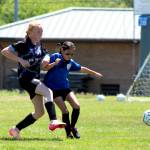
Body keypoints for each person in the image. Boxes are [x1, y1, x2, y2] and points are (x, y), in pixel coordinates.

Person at [1, 21, 66, 139]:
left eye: (42, 31)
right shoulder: (22, 44)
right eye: (38, 31)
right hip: (25, 79)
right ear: (30, 32)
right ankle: (54, 121)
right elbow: (4, 51)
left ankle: (15, 130)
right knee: (48, 92)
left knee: (39, 112)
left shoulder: (39, 46)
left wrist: (49, 61)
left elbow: (45, 59)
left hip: (34, 80)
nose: (41, 32)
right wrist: (20, 60)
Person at [41, 41, 102, 139]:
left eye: (72, 54)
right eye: (67, 54)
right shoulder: (55, 56)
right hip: (54, 90)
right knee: (65, 111)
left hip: (65, 88)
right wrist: (54, 63)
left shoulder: (70, 62)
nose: (69, 56)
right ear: (62, 50)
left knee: (77, 106)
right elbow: (45, 68)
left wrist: (94, 73)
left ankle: (73, 127)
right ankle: (68, 134)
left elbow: (82, 68)